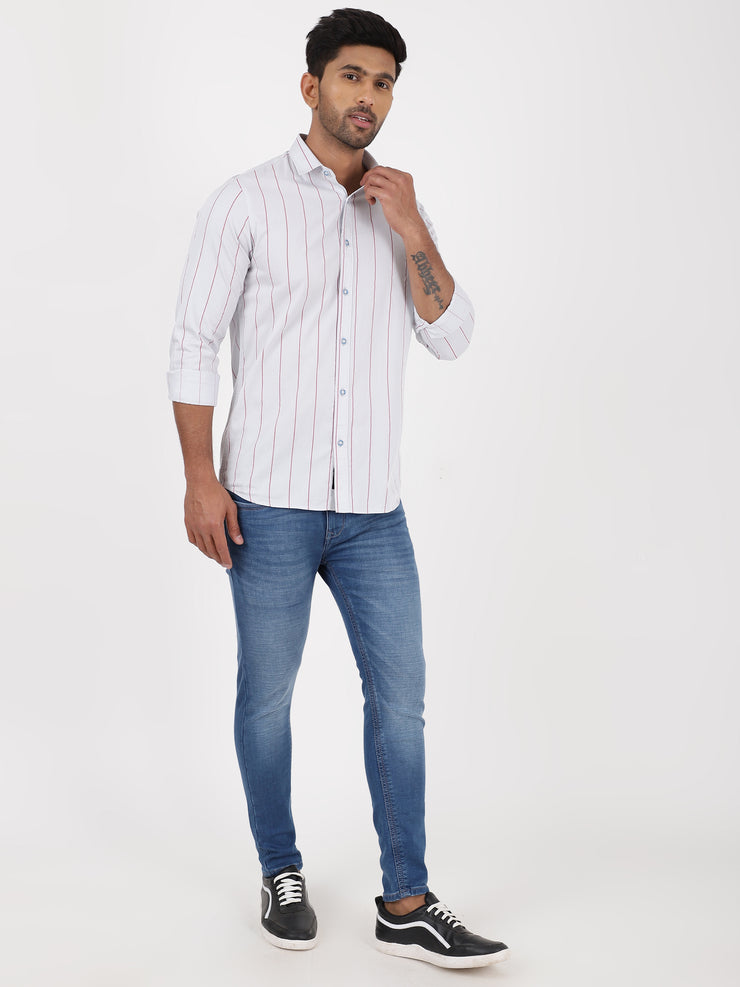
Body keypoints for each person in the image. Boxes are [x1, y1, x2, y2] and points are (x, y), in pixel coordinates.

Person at [167, 7, 509, 970]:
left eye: (385, 82)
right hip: (266, 502)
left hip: (371, 512)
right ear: (311, 85)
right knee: (266, 697)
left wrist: (411, 227)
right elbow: (192, 341)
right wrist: (200, 478)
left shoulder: (400, 209)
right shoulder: (246, 203)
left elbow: (451, 335)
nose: (369, 96)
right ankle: (280, 869)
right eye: (353, 76)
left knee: (401, 702)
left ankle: (406, 899)